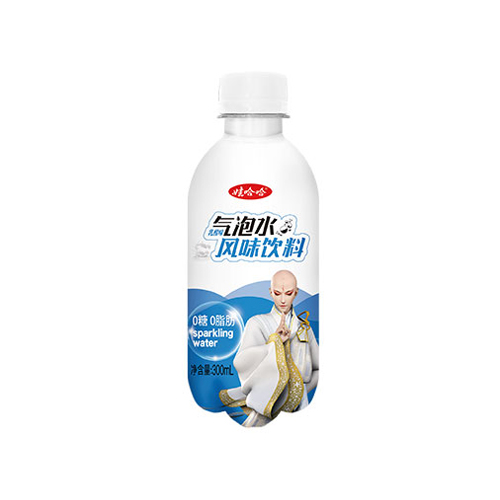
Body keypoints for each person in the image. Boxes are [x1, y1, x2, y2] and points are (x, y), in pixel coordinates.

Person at [219, 270, 319, 427]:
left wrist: (297, 392)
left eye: (288, 293)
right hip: (265, 407)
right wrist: (274, 343)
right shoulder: (257, 323)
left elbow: (320, 367)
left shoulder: (304, 328)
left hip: (300, 407)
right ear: (271, 292)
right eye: (277, 293)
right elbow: (241, 361)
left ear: (296, 292)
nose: (283, 300)